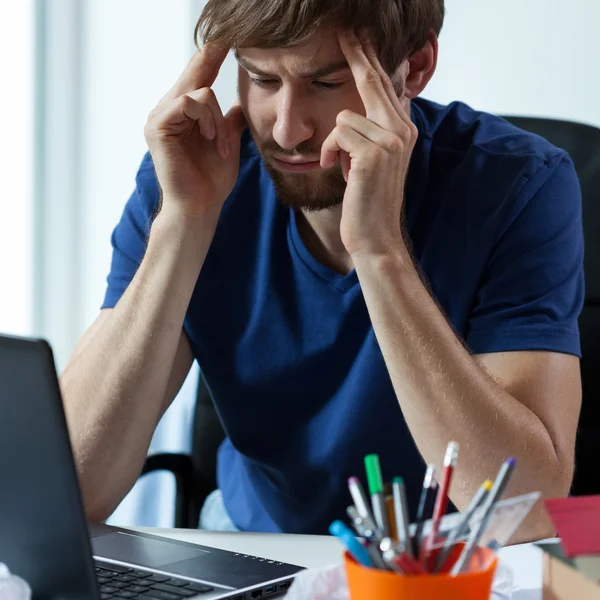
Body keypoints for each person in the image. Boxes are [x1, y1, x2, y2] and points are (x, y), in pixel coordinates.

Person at [60, 0, 584, 539]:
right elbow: (71, 494)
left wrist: (379, 251)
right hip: (257, 542)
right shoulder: (187, 178)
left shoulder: (520, 185)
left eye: (327, 83)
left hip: (458, 560)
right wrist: (184, 224)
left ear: (417, 66)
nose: (288, 130)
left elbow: (530, 513)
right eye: (261, 79)